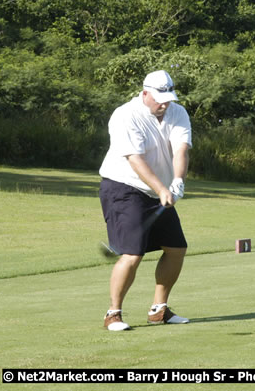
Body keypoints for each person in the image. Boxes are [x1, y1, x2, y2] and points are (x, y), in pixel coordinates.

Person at [99, 70, 192, 331]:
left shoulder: (177, 112)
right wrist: (163, 188)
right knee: (132, 253)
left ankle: (159, 310)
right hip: (123, 187)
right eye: (159, 98)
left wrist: (178, 180)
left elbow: (181, 148)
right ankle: (113, 314)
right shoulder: (125, 115)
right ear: (145, 94)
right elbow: (135, 160)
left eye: (168, 98)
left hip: (156, 190)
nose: (164, 104)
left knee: (176, 249)